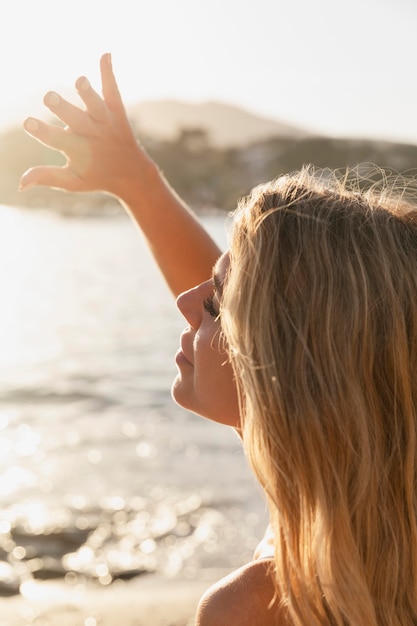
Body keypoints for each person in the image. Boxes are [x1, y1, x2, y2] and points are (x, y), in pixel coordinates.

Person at [19, 54, 417, 626]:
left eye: (215, 304)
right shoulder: (373, 507)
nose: (185, 302)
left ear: (281, 367)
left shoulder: (259, 605)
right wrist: (137, 182)